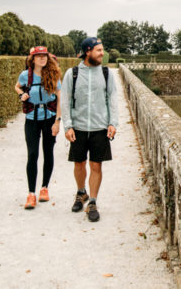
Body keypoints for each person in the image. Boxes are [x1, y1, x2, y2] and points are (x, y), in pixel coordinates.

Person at [62, 37, 118, 222]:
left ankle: (92, 202)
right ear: (88, 52)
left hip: (99, 127)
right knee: (79, 164)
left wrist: (113, 123)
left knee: (96, 165)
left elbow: (112, 98)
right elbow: (65, 100)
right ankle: (81, 192)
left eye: (102, 50)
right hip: (78, 127)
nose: (102, 53)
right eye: (99, 50)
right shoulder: (72, 73)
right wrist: (68, 125)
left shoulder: (106, 73)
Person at [14, 46, 62, 209]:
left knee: (48, 152)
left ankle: (44, 188)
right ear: (32, 59)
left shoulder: (53, 75)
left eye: (44, 56)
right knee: (32, 154)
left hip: (49, 119)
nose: (42, 58)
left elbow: (60, 99)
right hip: (31, 120)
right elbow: (17, 86)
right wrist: (21, 94)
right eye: (38, 56)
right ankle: (31, 193)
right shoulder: (25, 75)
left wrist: (57, 121)